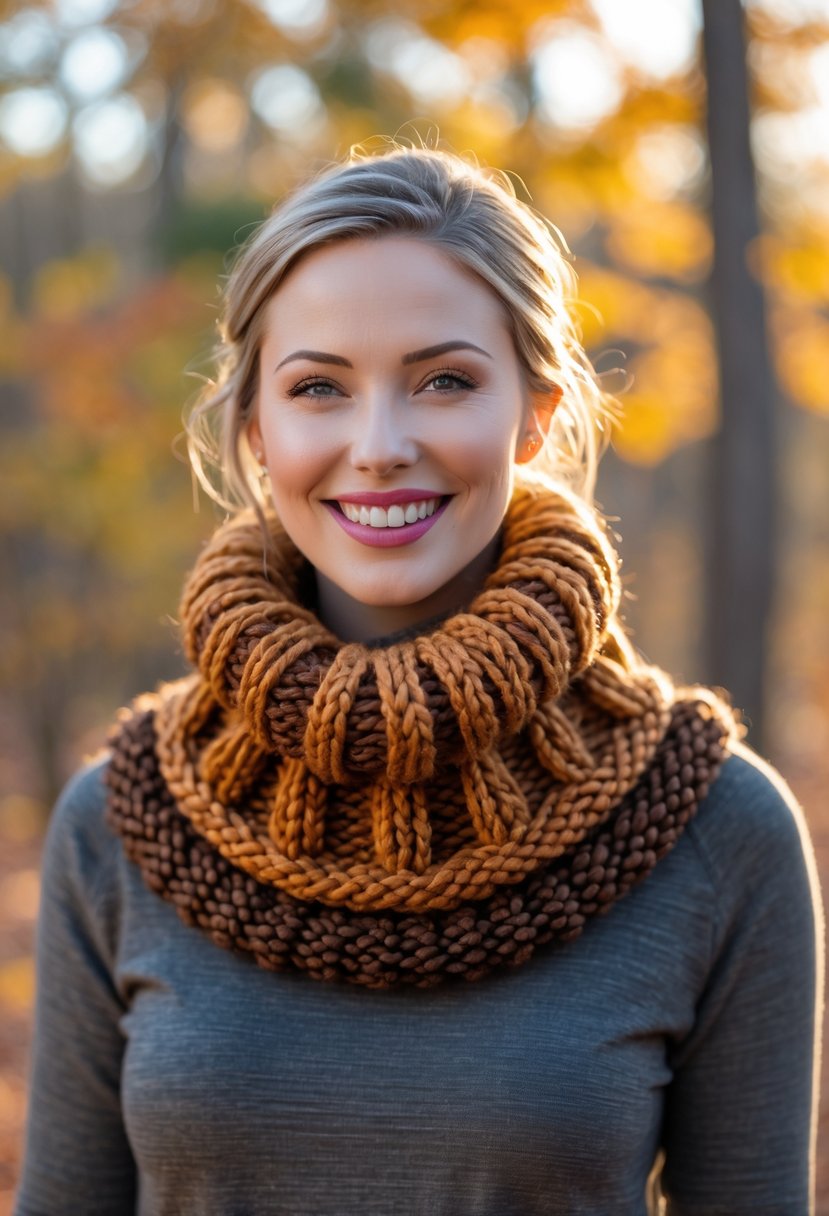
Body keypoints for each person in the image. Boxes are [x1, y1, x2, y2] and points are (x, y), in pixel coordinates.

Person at [15, 144, 822, 1216]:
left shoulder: (716, 826)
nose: (380, 445)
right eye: (318, 388)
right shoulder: (120, 819)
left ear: (534, 413)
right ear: (256, 427)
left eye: (444, 380)